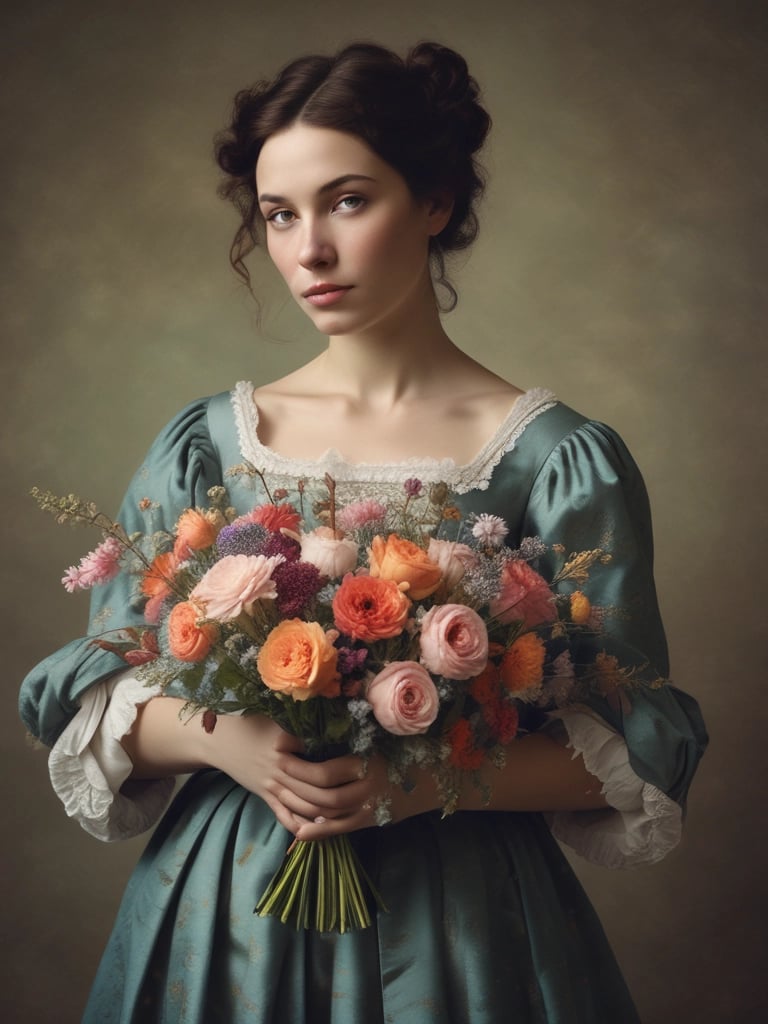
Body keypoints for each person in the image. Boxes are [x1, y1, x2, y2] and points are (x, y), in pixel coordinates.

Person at [20, 41, 707, 1023]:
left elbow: (632, 741)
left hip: (464, 920)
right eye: (279, 214)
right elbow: (99, 689)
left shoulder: (556, 457)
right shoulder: (206, 444)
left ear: (434, 202)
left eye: (346, 201)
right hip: (228, 911)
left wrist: (420, 782)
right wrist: (235, 741)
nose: (309, 251)